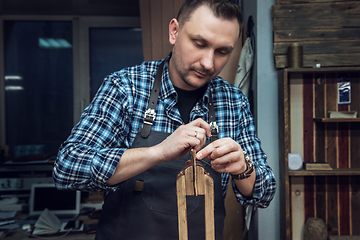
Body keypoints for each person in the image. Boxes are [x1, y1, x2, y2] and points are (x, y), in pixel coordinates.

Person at [53, 0, 276, 239]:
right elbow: (68, 167)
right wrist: (157, 152)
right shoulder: (126, 87)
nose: (208, 63)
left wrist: (243, 168)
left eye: (222, 51)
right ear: (174, 31)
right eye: (199, 44)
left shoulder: (233, 102)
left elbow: (264, 194)